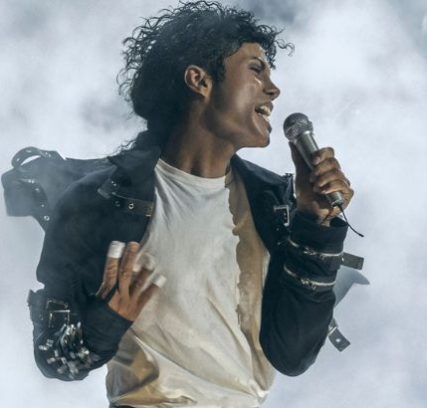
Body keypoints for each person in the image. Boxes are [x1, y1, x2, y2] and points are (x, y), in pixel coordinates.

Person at [28, 2, 355, 406]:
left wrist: (316, 225)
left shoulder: (274, 206)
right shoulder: (101, 200)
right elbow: (55, 359)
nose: (273, 89)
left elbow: (293, 355)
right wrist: (106, 320)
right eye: (256, 69)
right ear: (199, 81)